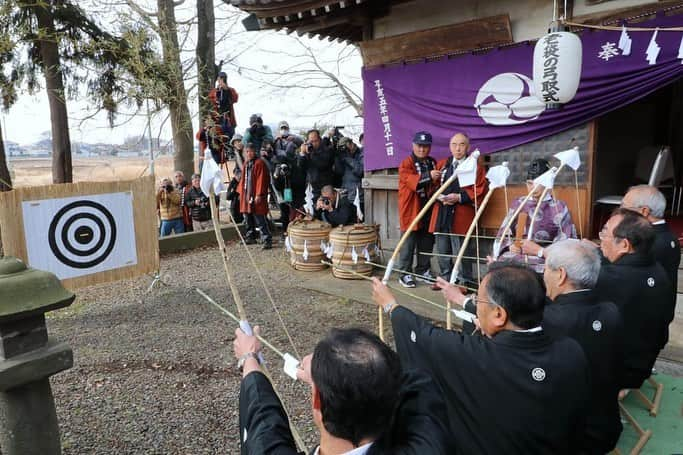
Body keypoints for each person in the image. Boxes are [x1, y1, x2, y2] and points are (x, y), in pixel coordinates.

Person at [374, 264, 590, 454]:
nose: (476, 304)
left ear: (499, 315)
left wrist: (390, 305)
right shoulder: (572, 351)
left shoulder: (469, 355)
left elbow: (421, 335)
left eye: (478, 300)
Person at [235, 326, 452, 454]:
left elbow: (263, 427)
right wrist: (334, 377)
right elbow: (419, 382)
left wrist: (249, 358)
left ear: (317, 401)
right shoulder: (428, 440)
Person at [542, 239, 623, 454]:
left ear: (560, 275)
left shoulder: (546, 321)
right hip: (606, 424)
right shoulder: (611, 311)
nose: (543, 275)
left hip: (565, 436)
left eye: (545, 269)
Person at [595, 208, 673, 390]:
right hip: (644, 361)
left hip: (619, 372)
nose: (601, 239)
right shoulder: (656, 269)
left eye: (605, 232)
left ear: (624, 245)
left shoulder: (610, 279)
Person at [492, 158, 577, 272]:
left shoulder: (559, 207)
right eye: (530, 183)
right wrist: (510, 245)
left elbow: (565, 240)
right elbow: (504, 232)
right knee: (500, 265)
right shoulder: (519, 203)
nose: (533, 188)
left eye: (538, 183)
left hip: (542, 256)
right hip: (517, 254)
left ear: (547, 183)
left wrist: (540, 251)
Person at [428, 132, 487, 287]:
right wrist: (439, 196)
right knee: (442, 247)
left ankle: (464, 281)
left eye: (461, 144)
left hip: (461, 212)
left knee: (461, 248)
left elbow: (480, 189)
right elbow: (433, 187)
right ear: (450, 147)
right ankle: (445, 278)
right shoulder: (443, 164)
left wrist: (459, 197)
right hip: (442, 210)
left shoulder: (475, 166)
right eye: (454, 145)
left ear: (467, 147)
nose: (458, 148)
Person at [396, 131, 440, 288]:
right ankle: (404, 273)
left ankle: (422, 270)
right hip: (411, 208)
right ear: (413, 145)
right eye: (419, 146)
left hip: (428, 207)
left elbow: (436, 183)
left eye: (426, 146)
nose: (422, 149)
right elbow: (411, 181)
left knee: (427, 241)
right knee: (408, 241)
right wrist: (429, 175)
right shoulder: (406, 163)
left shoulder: (432, 162)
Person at [620, 184, 681, 290]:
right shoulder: (668, 235)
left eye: (624, 207)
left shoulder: (647, 241)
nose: (620, 212)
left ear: (644, 211)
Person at [238, 142, 273, 249]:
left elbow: (261, 180)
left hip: (256, 194)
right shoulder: (246, 163)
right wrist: (241, 193)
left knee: (259, 217)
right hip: (247, 194)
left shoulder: (259, 163)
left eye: (251, 151)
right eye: (247, 151)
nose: (249, 154)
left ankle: (266, 239)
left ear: (255, 152)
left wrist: (259, 194)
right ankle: (250, 236)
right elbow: (243, 179)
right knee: (247, 217)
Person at [298, 129, 335, 202]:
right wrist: (302, 153)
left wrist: (311, 152)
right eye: (311, 141)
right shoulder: (307, 151)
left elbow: (321, 164)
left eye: (316, 141)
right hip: (311, 187)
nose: (314, 143)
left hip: (325, 188)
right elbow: (301, 167)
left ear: (320, 140)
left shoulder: (327, 150)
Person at [334, 136, 364, 215]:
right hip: (346, 194)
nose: (345, 150)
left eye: (345, 147)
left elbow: (360, 171)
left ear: (351, 144)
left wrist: (348, 158)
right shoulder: (344, 155)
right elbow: (339, 172)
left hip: (358, 196)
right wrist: (337, 157)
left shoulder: (361, 153)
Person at [212, 71, 239, 138]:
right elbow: (211, 102)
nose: (221, 80)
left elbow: (235, 99)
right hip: (218, 121)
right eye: (220, 78)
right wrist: (218, 91)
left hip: (229, 120)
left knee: (230, 139)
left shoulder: (231, 90)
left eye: (223, 78)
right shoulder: (215, 91)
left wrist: (226, 89)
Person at [226, 134, 244, 224]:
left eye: (239, 141)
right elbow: (228, 196)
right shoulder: (236, 153)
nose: (238, 144)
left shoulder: (246, 152)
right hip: (239, 180)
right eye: (235, 143)